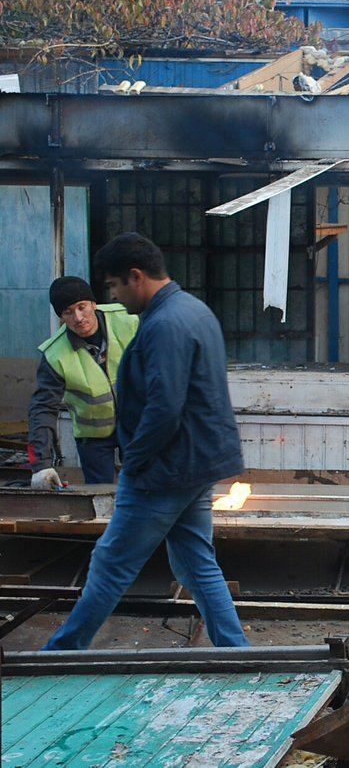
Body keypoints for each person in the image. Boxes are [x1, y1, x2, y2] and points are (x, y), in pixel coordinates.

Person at [45, 233, 249, 651]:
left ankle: (59, 653)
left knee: (110, 564)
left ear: (135, 277)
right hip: (193, 464)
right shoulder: (192, 310)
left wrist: (134, 461)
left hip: (164, 469)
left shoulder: (165, 324)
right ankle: (236, 651)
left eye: (115, 286)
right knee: (195, 563)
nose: (112, 297)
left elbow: (165, 406)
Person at [28, 277, 140, 488]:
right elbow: (42, 408)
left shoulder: (128, 319)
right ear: (61, 317)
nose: (78, 318)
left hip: (137, 423)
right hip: (93, 437)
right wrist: (40, 464)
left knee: (143, 486)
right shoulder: (55, 354)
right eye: (68, 312)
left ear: (93, 304)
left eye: (82, 307)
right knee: (100, 496)